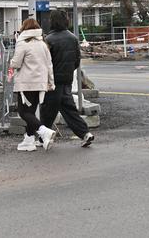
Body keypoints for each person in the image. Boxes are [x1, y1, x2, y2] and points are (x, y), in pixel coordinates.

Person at [41, 10, 95, 148]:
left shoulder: (49, 39)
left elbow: (45, 62)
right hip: (67, 78)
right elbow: (77, 61)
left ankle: (43, 137)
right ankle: (85, 133)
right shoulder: (73, 38)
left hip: (52, 80)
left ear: (52, 21)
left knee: (48, 109)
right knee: (69, 109)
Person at [10, 18, 57, 152]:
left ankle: (43, 131)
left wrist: (11, 63)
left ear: (24, 28)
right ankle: (29, 139)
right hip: (40, 83)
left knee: (23, 112)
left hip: (26, 83)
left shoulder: (22, 43)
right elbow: (49, 65)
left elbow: (17, 63)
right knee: (31, 112)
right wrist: (51, 83)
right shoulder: (43, 44)